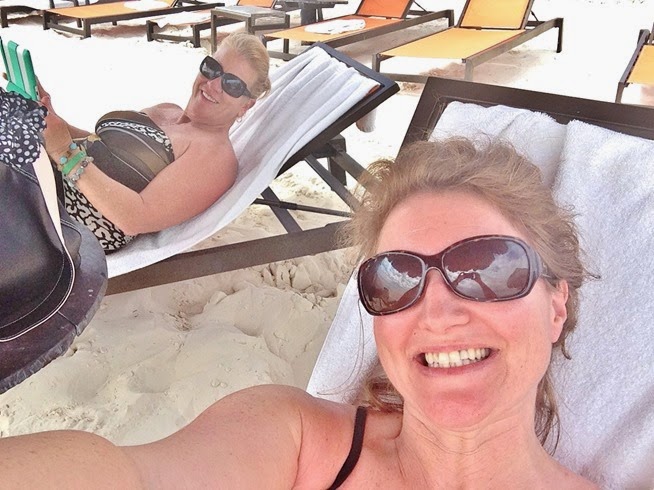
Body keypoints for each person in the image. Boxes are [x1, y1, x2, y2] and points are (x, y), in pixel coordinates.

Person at [0, 137, 598, 488]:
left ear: (555, 305)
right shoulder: (296, 442)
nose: (437, 312)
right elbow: (135, 478)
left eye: (489, 266)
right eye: (396, 277)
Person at [38, 32, 271, 252]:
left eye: (232, 85)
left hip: (59, 223)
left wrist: (64, 152)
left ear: (246, 105)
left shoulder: (216, 158)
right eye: (212, 68)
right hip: (43, 181)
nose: (212, 84)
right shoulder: (168, 109)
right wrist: (52, 120)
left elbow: (135, 218)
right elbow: (105, 149)